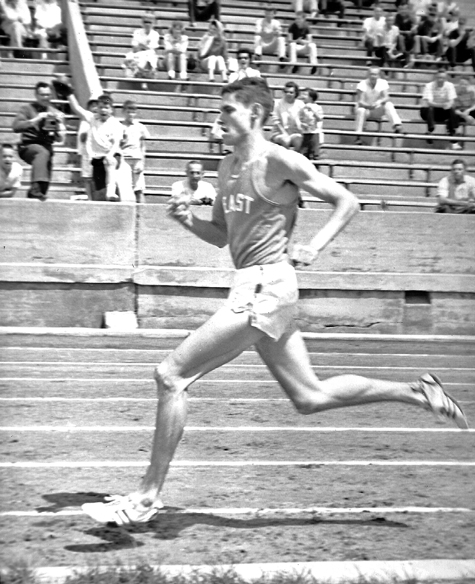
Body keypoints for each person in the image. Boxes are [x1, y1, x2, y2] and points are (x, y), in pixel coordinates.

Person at [81, 76, 468, 527]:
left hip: (269, 286)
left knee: (171, 375)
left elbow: (346, 200)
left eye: (228, 111)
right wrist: (187, 219)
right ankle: (418, 392)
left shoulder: (281, 160)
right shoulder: (226, 169)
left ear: (257, 115)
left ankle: (147, 497)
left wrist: (315, 246)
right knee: (310, 396)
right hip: (251, 284)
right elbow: (222, 236)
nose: (218, 119)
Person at [62, 84, 126, 201]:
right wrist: (69, 93)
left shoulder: (116, 125)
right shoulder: (93, 118)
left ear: (111, 110)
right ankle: (104, 198)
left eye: (106, 107)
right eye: (101, 107)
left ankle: (112, 191)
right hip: (97, 157)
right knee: (100, 189)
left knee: (110, 163)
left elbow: (116, 143)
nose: (103, 110)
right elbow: (77, 109)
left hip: (112, 154)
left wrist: (110, 155)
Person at [12, 81, 65, 200]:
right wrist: (36, 119)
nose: (45, 98)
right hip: (28, 146)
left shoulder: (54, 111)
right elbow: (16, 127)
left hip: (46, 148)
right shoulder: (26, 109)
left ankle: (35, 194)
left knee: (45, 181)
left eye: (48, 95)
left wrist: (60, 126)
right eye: (42, 95)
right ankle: (35, 189)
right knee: (42, 152)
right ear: (36, 95)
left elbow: (59, 138)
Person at [354, 67, 403, 144]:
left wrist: (379, 102)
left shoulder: (383, 83)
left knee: (388, 104)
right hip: (365, 109)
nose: (373, 76)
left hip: (376, 109)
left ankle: (397, 125)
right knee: (361, 110)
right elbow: (360, 101)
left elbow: (386, 97)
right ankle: (358, 136)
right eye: (371, 74)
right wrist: (369, 106)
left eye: (375, 74)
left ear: (378, 75)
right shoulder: (362, 84)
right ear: (368, 75)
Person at [120, 99, 150, 203]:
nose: (130, 115)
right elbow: (116, 145)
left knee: (139, 188)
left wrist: (142, 163)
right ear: (123, 112)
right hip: (124, 159)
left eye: (133, 112)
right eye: (128, 112)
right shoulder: (119, 126)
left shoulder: (140, 127)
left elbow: (143, 147)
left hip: (137, 159)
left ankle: (143, 214)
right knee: (124, 188)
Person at [420, 69, 458, 147]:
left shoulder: (450, 85)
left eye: (443, 78)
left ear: (446, 78)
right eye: (439, 77)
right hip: (427, 112)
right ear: (435, 77)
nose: (441, 80)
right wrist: (443, 105)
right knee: (430, 108)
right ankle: (430, 131)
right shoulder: (429, 86)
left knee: (451, 109)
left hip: (441, 111)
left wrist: (448, 105)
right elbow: (429, 102)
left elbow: (452, 101)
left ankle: (452, 131)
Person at [123, 14, 160, 80]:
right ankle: (134, 74)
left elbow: (152, 48)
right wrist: (144, 46)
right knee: (129, 57)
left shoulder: (155, 34)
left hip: (149, 54)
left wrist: (141, 45)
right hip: (137, 52)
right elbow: (135, 47)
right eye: (145, 22)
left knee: (150, 57)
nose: (147, 24)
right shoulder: (137, 32)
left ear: (153, 24)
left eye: (149, 22)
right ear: (142, 23)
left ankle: (144, 74)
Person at [271, 81, 305, 150]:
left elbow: (303, 119)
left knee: (298, 139)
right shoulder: (278, 103)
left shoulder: (300, 104)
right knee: (285, 140)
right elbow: (276, 121)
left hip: (295, 132)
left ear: (296, 93)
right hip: (279, 133)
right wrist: (284, 133)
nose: (288, 94)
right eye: (286, 92)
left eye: (291, 92)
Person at [76, 98, 98, 201]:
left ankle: (95, 197)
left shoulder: (96, 120)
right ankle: (90, 197)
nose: (95, 108)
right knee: (87, 177)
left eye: (96, 105)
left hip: (95, 152)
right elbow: (82, 137)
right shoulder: (85, 120)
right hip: (86, 152)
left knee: (94, 177)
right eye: (92, 106)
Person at [394, 2, 417, 66]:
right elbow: (396, 30)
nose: (403, 11)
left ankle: (407, 56)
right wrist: (406, 32)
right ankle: (405, 56)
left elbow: (414, 29)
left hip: (409, 40)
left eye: (404, 9)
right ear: (399, 10)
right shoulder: (397, 17)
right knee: (400, 37)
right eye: (401, 9)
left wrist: (413, 29)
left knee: (415, 37)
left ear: (407, 9)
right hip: (400, 41)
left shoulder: (411, 17)